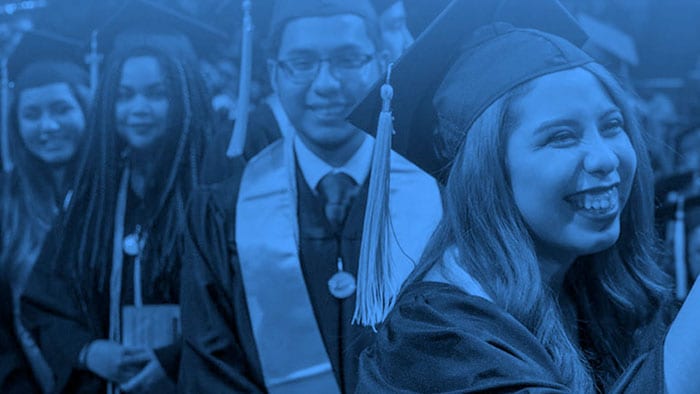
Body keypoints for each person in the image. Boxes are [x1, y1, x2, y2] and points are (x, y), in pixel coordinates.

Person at [349, 0, 700, 392]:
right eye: (562, 136)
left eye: (612, 124)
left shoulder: (597, 287)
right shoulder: (436, 340)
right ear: (490, 173)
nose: (604, 158)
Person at [179, 1, 443, 392]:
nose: (326, 84)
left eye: (349, 59)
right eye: (301, 63)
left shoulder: (440, 197)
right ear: (273, 73)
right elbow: (211, 365)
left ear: (382, 63)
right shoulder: (223, 210)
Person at [20, 5, 213, 392]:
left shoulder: (217, 192)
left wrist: (173, 357)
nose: (137, 109)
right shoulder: (94, 197)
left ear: (185, 96)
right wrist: (87, 351)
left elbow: (241, 309)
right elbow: (42, 303)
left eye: (157, 94)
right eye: (123, 95)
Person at [1, 30, 90, 393]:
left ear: (86, 109)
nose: (47, 127)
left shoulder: (118, 194)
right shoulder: (7, 205)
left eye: (61, 109)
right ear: (16, 125)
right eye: (31, 114)